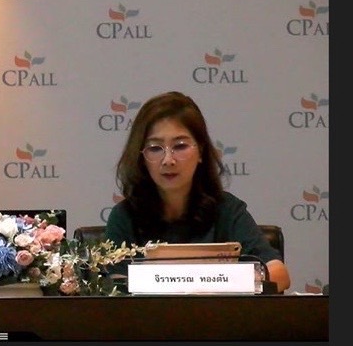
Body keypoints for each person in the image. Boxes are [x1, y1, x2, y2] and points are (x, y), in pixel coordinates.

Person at [105, 91, 291, 293]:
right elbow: (114, 290)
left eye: (180, 146)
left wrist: (216, 283)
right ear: (141, 156)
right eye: (155, 148)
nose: (168, 160)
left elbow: (279, 274)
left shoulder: (226, 210)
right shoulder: (124, 216)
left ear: (200, 151)